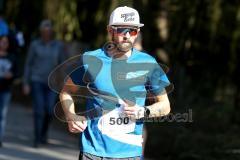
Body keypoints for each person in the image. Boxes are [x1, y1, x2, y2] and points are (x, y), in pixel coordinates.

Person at [59, 6, 171, 160]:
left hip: (129, 153)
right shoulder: (90, 59)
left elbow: (165, 106)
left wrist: (144, 111)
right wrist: (71, 115)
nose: (126, 36)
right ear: (110, 30)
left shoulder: (148, 63)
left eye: (132, 31)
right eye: (121, 30)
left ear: (137, 33)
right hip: (92, 151)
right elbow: (66, 92)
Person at [23, 19, 65, 148]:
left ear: (51, 31)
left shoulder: (58, 46)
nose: (46, 32)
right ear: (41, 32)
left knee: (48, 111)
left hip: (52, 84)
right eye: (44, 30)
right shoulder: (35, 45)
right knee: (39, 110)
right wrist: (26, 82)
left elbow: (63, 65)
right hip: (37, 81)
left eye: (48, 30)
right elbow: (28, 64)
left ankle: (44, 133)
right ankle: (37, 138)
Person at [0, 35, 17, 147]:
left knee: (2, 115)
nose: (3, 44)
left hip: (5, 89)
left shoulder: (12, 57)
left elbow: (16, 72)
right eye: (2, 42)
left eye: (6, 42)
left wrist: (11, 75)